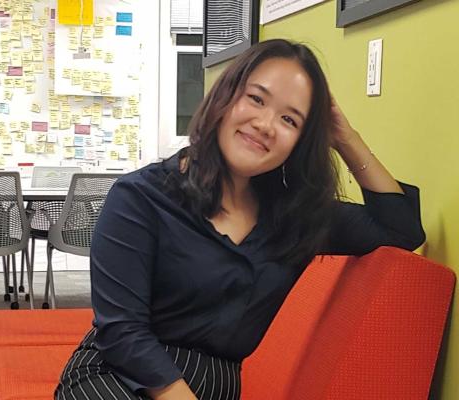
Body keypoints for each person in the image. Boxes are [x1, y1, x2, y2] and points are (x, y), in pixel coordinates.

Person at [55, 39, 425, 400]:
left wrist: (345, 137)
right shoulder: (141, 197)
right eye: (256, 99)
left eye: (289, 119)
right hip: (117, 378)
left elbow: (400, 228)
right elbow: (122, 332)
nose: (265, 124)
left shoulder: (297, 216)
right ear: (225, 97)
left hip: (214, 385)